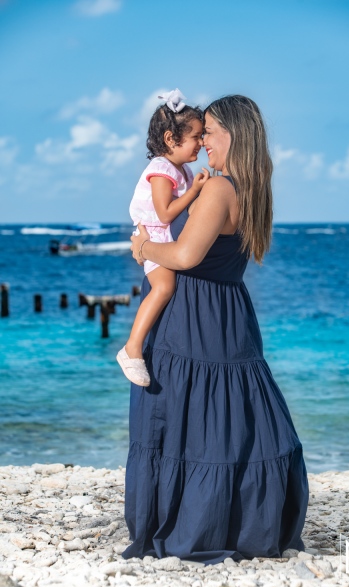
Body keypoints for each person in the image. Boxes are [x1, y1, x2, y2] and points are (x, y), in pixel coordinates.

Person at [124, 94, 309, 564]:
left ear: (233, 135)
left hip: (192, 315)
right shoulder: (252, 189)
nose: (203, 141)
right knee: (229, 422)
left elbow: (185, 256)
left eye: (209, 132)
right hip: (229, 314)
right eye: (200, 133)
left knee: (186, 421)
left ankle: (194, 525)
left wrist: (144, 247)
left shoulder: (220, 188)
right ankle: (239, 518)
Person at [117, 89, 209, 387]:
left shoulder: (180, 168)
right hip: (154, 236)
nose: (201, 143)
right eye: (196, 136)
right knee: (164, 287)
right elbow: (165, 213)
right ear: (171, 139)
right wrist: (195, 192)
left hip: (165, 238)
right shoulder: (161, 170)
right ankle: (132, 347)